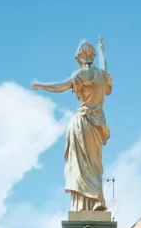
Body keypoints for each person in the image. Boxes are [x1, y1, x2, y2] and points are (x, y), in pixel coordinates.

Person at [32, 39, 113, 212]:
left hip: (82, 123)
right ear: (92, 56)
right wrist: (102, 51)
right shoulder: (102, 76)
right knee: (94, 164)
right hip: (97, 125)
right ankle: (97, 200)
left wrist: (41, 85)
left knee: (81, 164)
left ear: (80, 58)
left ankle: (82, 205)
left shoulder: (80, 76)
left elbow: (60, 87)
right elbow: (104, 67)